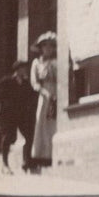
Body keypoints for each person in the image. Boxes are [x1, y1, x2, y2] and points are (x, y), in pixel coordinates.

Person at [0, 60, 37, 175]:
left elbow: (32, 95)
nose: (25, 70)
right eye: (23, 68)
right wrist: (2, 101)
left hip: (21, 115)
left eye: (25, 68)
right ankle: (5, 165)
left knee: (29, 135)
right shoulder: (7, 81)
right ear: (17, 70)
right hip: (8, 114)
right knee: (7, 138)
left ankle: (26, 162)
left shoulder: (26, 83)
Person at [29, 31, 58, 172]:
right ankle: (41, 156)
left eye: (51, 46)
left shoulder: (55, 63)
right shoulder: (36, 63)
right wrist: (44, 92)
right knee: (42, 123)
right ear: (41, 48)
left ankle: (52, 154)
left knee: (53, 122)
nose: (48, 49)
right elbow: (34, 82)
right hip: (44, 94)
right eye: (45, 46)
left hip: (56, 93)